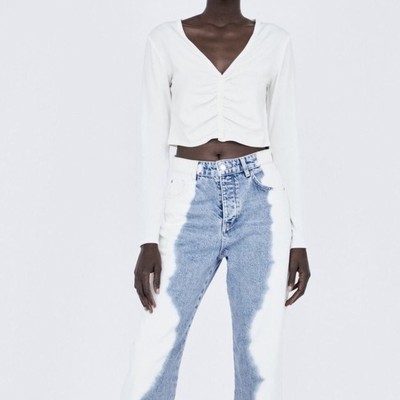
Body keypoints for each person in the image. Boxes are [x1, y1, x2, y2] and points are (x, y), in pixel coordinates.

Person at [120, 5, 311, 400]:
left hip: (261, 201)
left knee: (259, 354)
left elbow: (286, 135)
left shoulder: (275, 41)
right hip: (188, 199)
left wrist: (299, 238)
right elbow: (151, 138)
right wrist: (147, 238)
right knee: (155, 344)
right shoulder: (165, 40)